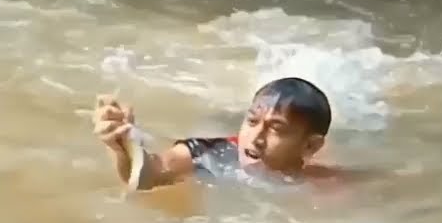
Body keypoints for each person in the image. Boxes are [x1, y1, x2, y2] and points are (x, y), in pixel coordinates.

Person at [92, 76, 344, 192]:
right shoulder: (212, 155)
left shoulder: (323, 182)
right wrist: (122, 144)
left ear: (310, 147)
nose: (256, 138)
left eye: (276, 128)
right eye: (252, 121)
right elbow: (146, 175)